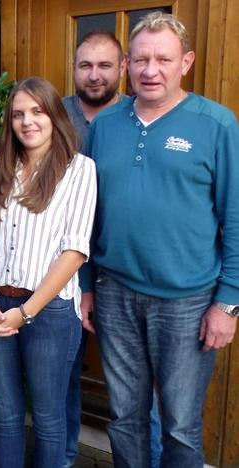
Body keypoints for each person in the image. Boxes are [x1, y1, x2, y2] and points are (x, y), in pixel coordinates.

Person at [80, 12, 238, 468]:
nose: (151, 70)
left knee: (180, 426)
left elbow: (237, 215)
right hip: (114, 294)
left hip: (187, 302)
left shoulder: (217, 125)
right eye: (142, 59)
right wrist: (87, 285)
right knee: (125, 418)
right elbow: (86, 216)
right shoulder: (105, 127)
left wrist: (228, 303)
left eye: (164, 59)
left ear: (185, 62)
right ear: (127, 64)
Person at [0, 76, 97, 468]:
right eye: (18, 114)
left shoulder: (78, 170)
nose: (28, 121)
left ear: (55, 116)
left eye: (37, 111)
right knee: (4, 415)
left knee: (48, 417)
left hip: (50, 311)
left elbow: (74, 251)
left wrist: (25, 314)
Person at [61, 32, 162, 468]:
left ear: (122, 67)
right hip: (58, 269)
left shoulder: (137, 116)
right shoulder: (55, 114)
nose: (94, 74)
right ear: (75, 67)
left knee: (143, 386)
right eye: (86, 65)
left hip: (118, 268)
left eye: (105, 65)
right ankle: (63, 454)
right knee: (63, 374)